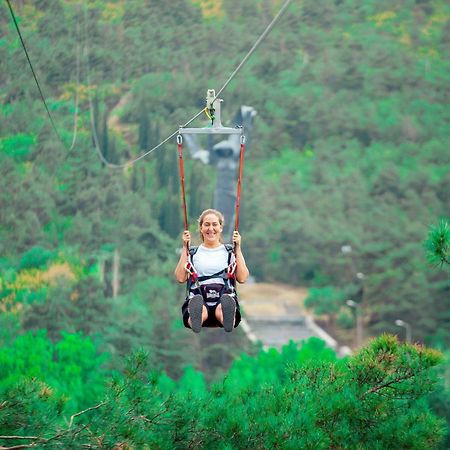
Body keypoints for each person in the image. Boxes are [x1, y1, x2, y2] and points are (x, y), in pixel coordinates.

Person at [175, 209, 249, 333]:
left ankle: (226, 317)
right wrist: (185, 247)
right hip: (199, 298)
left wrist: (238, 248)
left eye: (215, 224)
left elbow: (242, 278)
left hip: (223, 297)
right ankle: (196, 319)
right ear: (201, 228)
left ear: (220, 227)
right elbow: (180, 278)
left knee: (222, 308)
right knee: (200, 309)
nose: (211, 229)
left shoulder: (229, 252)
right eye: (207, 225)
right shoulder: (193, 253)